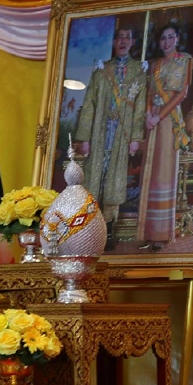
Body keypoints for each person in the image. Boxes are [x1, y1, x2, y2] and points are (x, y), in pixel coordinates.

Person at [73, 20, 148, 250]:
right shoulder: (101, 70)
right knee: (94, 176)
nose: (123, 41)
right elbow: (89, 104)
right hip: (99, 131)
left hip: (121, 135)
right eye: (119, 37)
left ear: (132, 42)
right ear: (114, 42)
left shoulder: (139, 71)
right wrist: (85, 138)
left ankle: (108, 229)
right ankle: (90, 228)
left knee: (114, 178)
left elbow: (140, 107)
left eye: (127, 37)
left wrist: (135, 137)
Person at [138, 22, 192, 252]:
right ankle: (147, 232)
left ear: (177, 38)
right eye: (163, 38)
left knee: (164, 172)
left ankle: (161, 233)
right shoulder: (155, 64)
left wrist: (159, 116)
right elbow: (150, 93)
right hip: (153, 120)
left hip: (169, 119)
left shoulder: (185, 60)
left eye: (170, 37)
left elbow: (182, 94)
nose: (167, 42)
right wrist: (149, 115)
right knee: (149, 174)